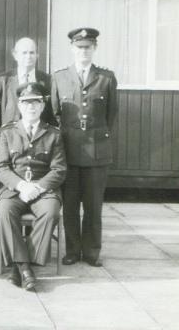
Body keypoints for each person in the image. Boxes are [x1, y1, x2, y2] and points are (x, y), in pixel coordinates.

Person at [51, 27, 118, 267]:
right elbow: (55, 113)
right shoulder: (59, 77)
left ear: (94, 49)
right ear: (72, 49)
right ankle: (72, 250)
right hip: (68, 152)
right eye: (79, 48)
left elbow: (110, 115)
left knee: (93, 206)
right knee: (69, 206)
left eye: (88, 47)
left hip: (96, 153)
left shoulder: (106, 78)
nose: (83, 52)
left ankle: (91, 252)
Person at [0, 82, 67, 291]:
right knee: (4, 212)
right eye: (26, 103)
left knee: (51, 212)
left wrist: (38, 187)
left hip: (43, 190)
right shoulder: (8, 133)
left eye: (35, 102)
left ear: (43, 106)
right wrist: (21, 186)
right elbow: (1, 167)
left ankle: (19, 267)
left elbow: (59, 169)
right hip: (14, 189)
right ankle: (26, 269)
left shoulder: (53, 134)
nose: (31, 107)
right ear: (19, 105)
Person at [0, 37, 56, 151]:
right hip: (9, 141)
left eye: (32, 53)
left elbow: (51, 114)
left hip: (38, 141)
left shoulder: (47, 80)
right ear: (15, 55)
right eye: (24, 53)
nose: (28, 56)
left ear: (37, 55)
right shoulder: (3, 79)